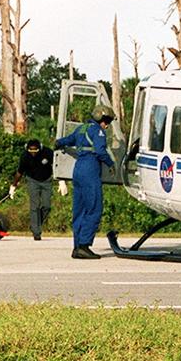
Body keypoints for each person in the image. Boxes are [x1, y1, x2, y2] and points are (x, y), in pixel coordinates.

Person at [56, 104, 115, 259]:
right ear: (101, 119)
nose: (107, 124)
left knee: (79, 210)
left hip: (78, 170)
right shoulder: (98, 131)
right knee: (94, 208)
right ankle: (84, 245)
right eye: (107, 120)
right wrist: (111, 164)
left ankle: (77, 247)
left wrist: (58, 143)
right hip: (90, 170)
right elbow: (101, 151)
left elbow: (66, 140)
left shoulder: (81, 129)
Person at [10, 139, 54, 241]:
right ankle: (36, 231)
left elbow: (56, 165)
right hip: (32, 181)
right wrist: (13, 185)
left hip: (46, 180)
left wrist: (61, 181)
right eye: (31, 151)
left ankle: (36, 224)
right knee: (35, 206)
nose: (33, 153)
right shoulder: (25, 156)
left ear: (40, 148)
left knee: (47, 206)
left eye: (35, 151)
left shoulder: (48, 152)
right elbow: (19, 172)